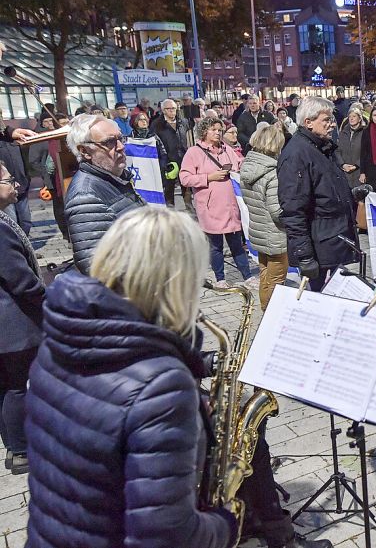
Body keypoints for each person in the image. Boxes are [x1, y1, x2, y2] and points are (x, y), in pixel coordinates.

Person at [25, 206, 239, 548]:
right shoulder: (161, 384)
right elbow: (165, 536)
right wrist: (225, 525)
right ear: (177, 279)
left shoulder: (61, 338)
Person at [278, 97, 358, 291]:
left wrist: (353, 195)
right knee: (316, 302)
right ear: (308, 122)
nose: (332, 125)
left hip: (333, 241)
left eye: (332, 120)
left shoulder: (322, 147)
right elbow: (293, 209)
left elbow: (326, 189)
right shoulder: (297, 154)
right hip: (317, 247)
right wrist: (304, 256)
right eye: (327, 120)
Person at [0, 167, 43, 475]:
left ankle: (13, 446)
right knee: (17, 386)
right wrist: (49, 297)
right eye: (7, 180)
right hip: (12, 324)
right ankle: (21, 450)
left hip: (7, 323)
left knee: (6, 387)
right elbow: (21, 281)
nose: (15, 184)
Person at [64, 114, 145, 273]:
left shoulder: (115, 178)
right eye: (109, 142)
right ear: (85, 151)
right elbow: (97, 266)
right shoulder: (85, 195)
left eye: (121, 138)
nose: (121, 146)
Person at [179, 117, 254, 288]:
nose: (218, 132)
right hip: (210, 207)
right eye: (214, 129)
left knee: (236, 243)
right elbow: (184, 178)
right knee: (215, 246)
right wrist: (208, 178)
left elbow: (237, 164)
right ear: (204, 131)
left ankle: (248, 276)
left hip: (230, 205)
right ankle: (220, 278)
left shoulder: (227, 149)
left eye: (220, 130)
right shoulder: (194, 152)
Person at [240, 125, 288, 310]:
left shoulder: (248, 166)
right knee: (276, 281)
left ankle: (265, 309)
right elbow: (277, 212)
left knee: (265, 275)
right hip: (275, 235)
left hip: (258, 229)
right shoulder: (272, 173)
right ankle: (271, 315)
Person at [150, 98, 193, 209]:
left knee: (186, 185)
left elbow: (191, 134)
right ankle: (170, 209)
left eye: (173, 108)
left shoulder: (183, 122)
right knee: (169, 186)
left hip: (183, 158)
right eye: (168, 109)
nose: (171, 111)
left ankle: (189, 206)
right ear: (163, 110)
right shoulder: (157, 124)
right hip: (167, 159)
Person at [337, 108, 365, 189]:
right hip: (345, 172)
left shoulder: (365, 132)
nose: (351, 118)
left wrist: (356, 165)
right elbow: (337, 150)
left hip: (360, 172)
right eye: (349, 117)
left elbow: (367, 152)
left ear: (359, 118)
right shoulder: (343, 133)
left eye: (354, 116)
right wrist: (342, 164)